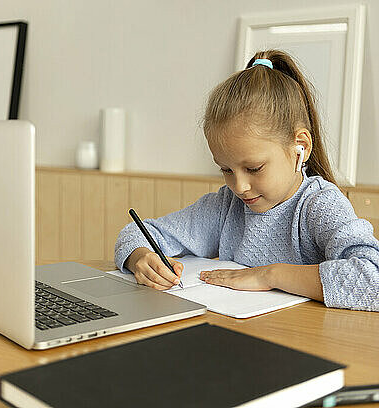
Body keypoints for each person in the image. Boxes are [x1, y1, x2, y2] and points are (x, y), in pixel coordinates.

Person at [115, 50, 379, 310]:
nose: (239, 187)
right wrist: (140, 259)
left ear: (300, 147)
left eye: (254, 168)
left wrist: (269, 275)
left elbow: (373, 280)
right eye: (226, 170)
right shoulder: (225, 206)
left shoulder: (319, 206)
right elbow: (137, 233)